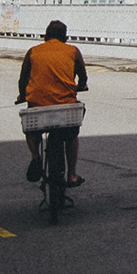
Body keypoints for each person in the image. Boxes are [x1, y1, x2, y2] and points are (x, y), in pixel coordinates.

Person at [16, 20, 88, 187]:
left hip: (38, 105)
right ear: (65, 38)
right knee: (72, 134)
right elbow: (83, 76)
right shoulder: (72, 51)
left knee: (30, 127)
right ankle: (72, 174)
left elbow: (23, 78)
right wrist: (81, 85)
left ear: (45, 37)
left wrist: (22, 95)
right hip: (66, 105)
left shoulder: (33, 51)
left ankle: (35, 156)